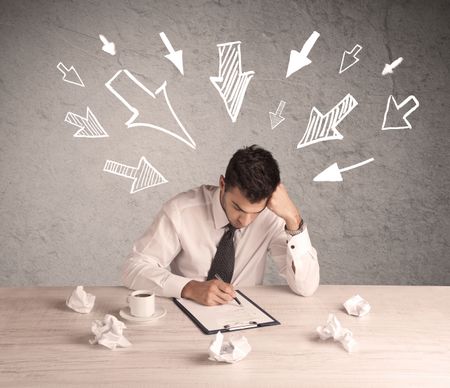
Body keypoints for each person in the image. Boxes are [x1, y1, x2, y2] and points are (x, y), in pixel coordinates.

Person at [122, 145, 319, 306]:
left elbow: (306, 287)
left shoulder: (270, 216)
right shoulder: (182, 210)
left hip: (247, 320)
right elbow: (133, 269)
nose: (245, 221)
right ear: (223, 184)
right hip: (187, 314)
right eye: (238, 208)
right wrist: (189, 288)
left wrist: (294, 219)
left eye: (255, 212)